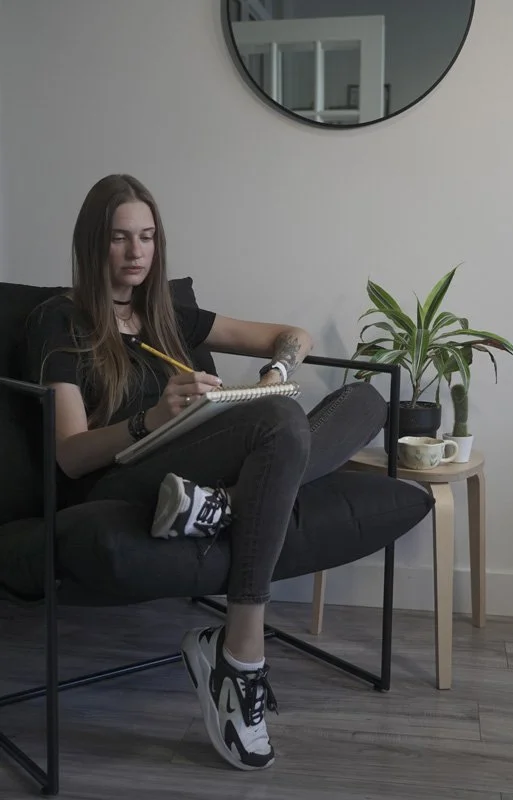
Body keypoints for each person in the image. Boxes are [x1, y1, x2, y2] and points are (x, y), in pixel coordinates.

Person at [26, 174, 387, 772]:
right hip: (119, 478)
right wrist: (151, 419)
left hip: (196, 473)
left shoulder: (168, 313)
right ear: (93, 243)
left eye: (147, 237)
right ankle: (239, 656)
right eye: (120, 238)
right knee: (280, 422)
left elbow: (290, 336)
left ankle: (221, 503)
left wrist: (274, 372)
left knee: (365, 401)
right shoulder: (60, 321)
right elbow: (70, 455)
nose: (137, 252)